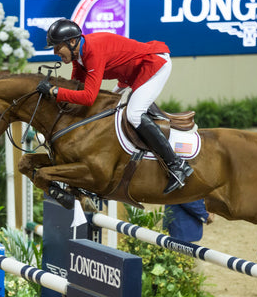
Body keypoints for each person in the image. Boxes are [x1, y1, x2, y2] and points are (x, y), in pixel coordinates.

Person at [36, 18, 193, 194]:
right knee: (107, 109)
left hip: (154, 64)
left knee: (134, 114)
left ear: (72, 42)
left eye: (57, 47)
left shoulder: (93, 51)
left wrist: (55, 91)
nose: (56, 52)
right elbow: (76, 86)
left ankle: (177, 165)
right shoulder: (78, 57)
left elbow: (88, 97)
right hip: (130, 75)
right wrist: (53, 93)